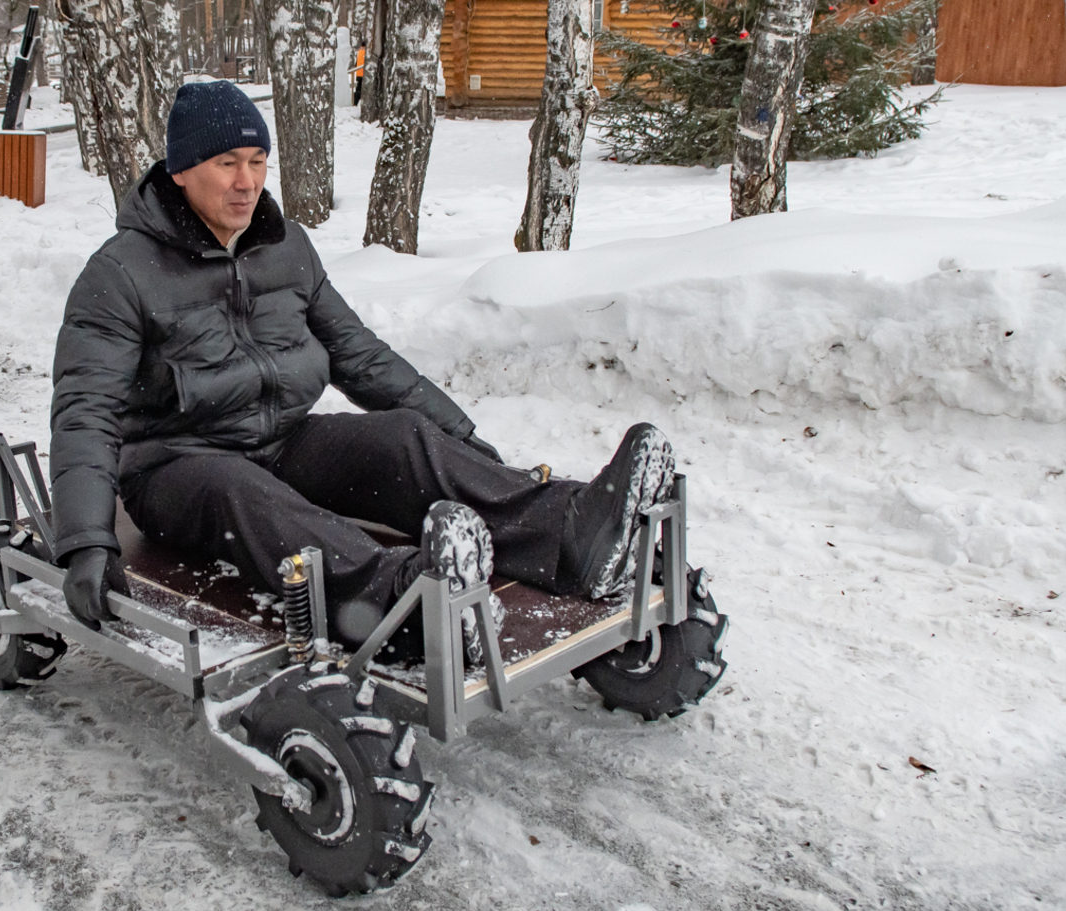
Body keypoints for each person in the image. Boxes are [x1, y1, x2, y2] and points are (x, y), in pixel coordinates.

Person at [50, 81, 675, 660]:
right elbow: (87, 409)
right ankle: (403, 605)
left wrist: (453, 435)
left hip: (282, 440)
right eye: (226, 163)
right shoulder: (121, 273)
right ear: (181, 170)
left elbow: (358, 353)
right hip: (176, 465)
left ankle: (571, 533)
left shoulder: (285, 246)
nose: (247, 182)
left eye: (257, 162)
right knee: (243, 492)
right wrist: (85, 538)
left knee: (402, 436)